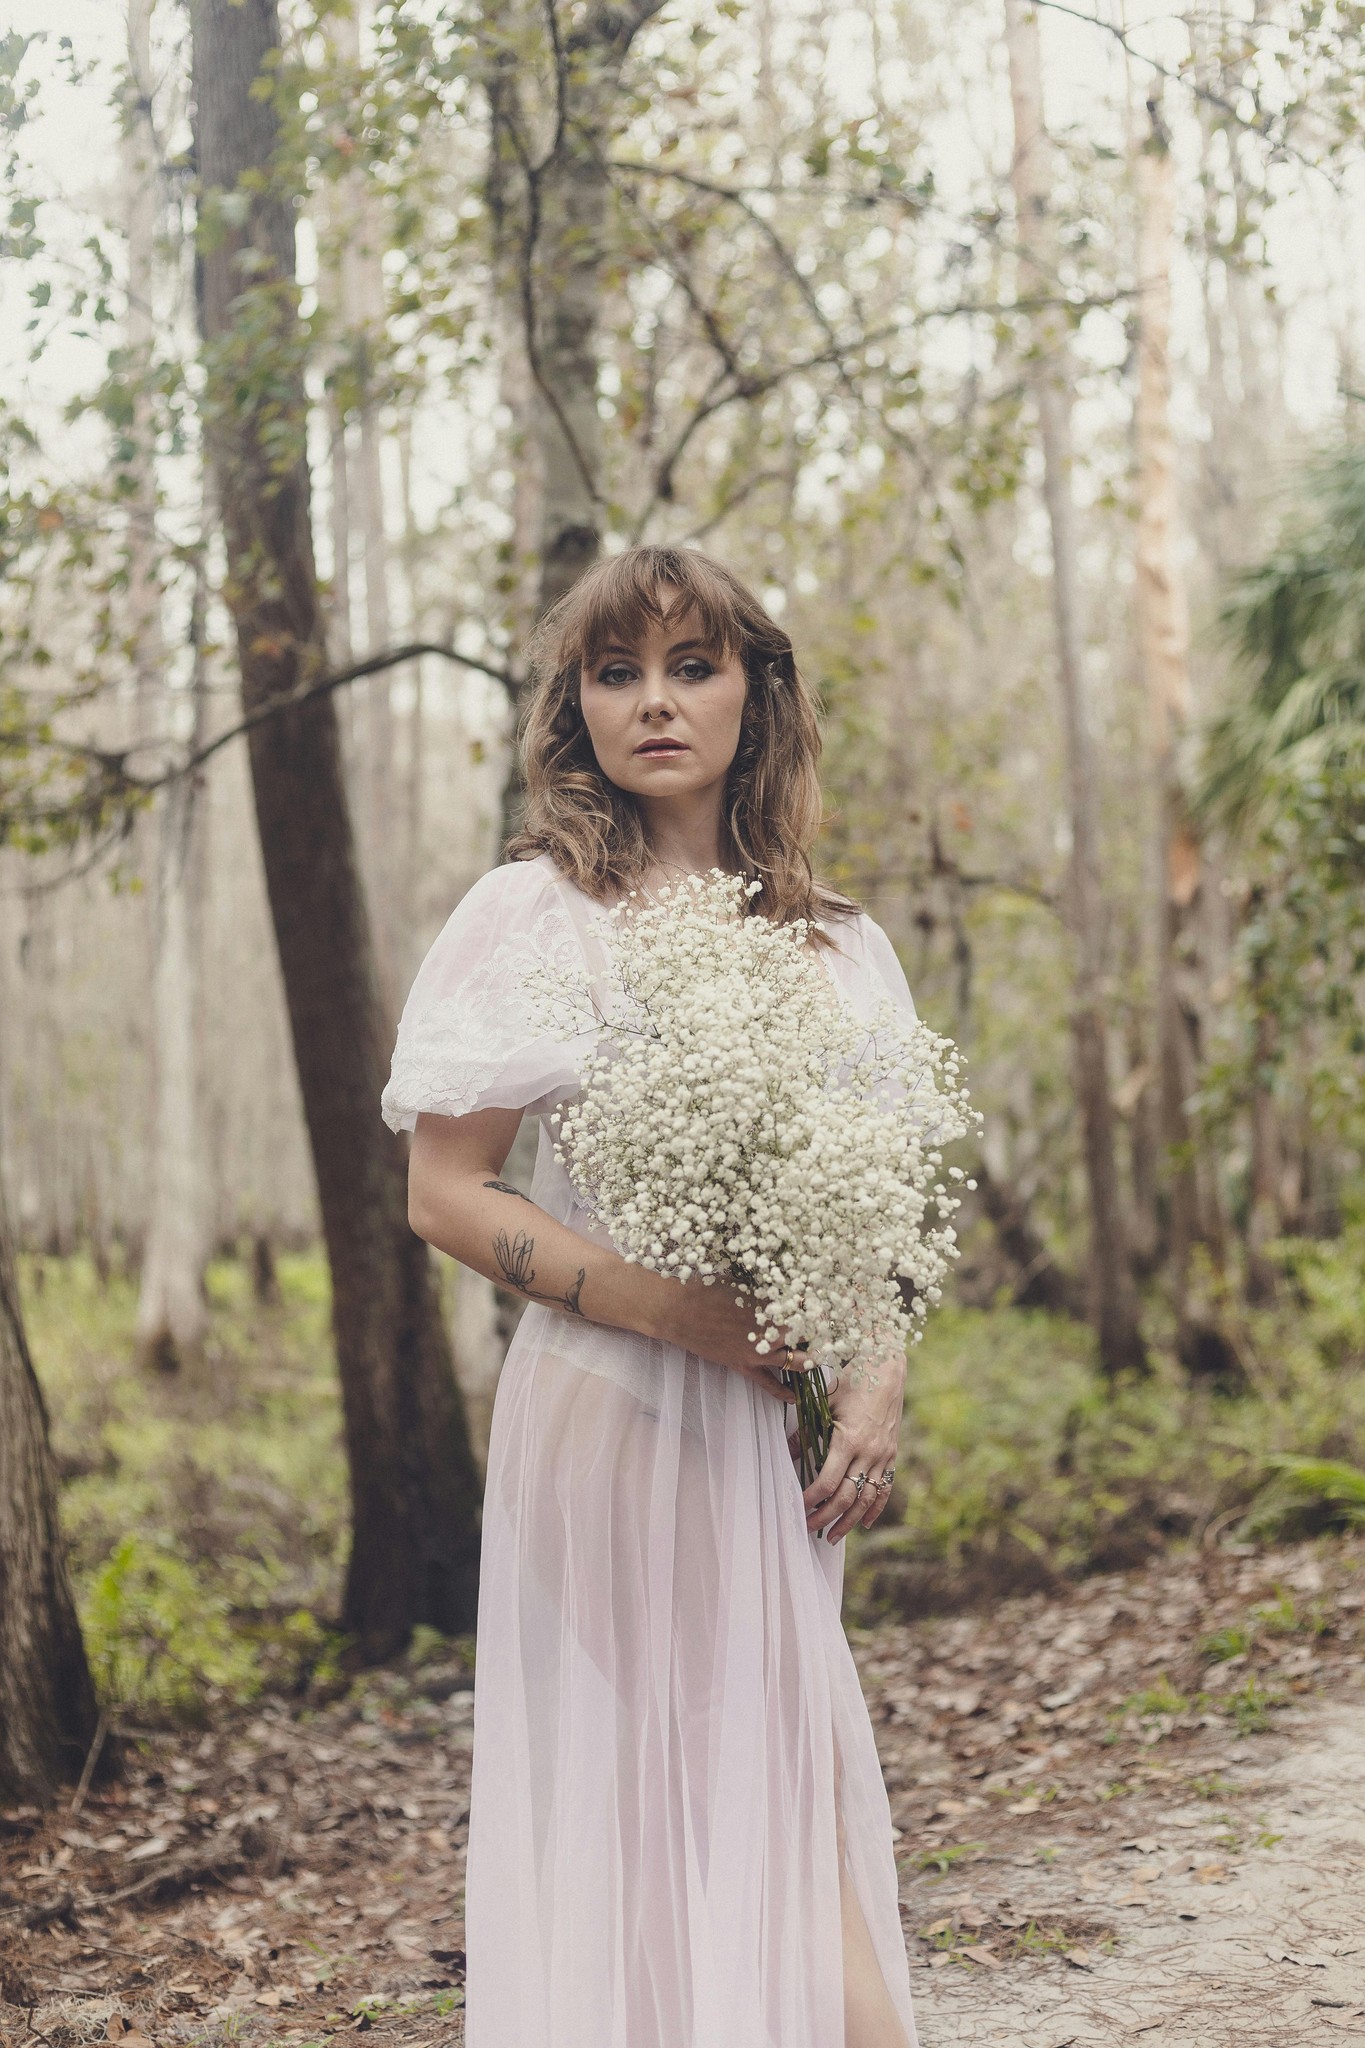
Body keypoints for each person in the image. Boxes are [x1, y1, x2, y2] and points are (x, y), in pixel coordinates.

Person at [382, 544, 919, 2047]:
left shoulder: (838, 943)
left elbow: (875, 1210)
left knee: (773, 1789)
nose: (656, 703)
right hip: (614, 1412)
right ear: (579, 709)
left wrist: (875, 1372)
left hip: (772, 1436)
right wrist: (669, 1311)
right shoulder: (534, 914)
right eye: (617, 674)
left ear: (758, 693)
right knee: (737, 1797)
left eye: (693, 667)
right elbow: (444, 1191)